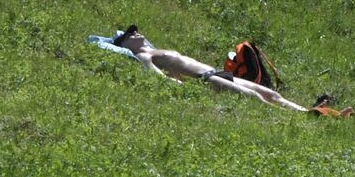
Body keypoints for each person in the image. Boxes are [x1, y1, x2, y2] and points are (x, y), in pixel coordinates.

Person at [110, 26, 327, 113]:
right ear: (124, 44)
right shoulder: (144, 56)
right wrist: (183, 89)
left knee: (270, 93)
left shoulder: (154, 49)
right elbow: (159, 77)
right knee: (253, 97)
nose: (136, 34)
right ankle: (293, 118)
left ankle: (305, 112)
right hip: (205, 79)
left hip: (215, 72)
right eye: (130, 34)